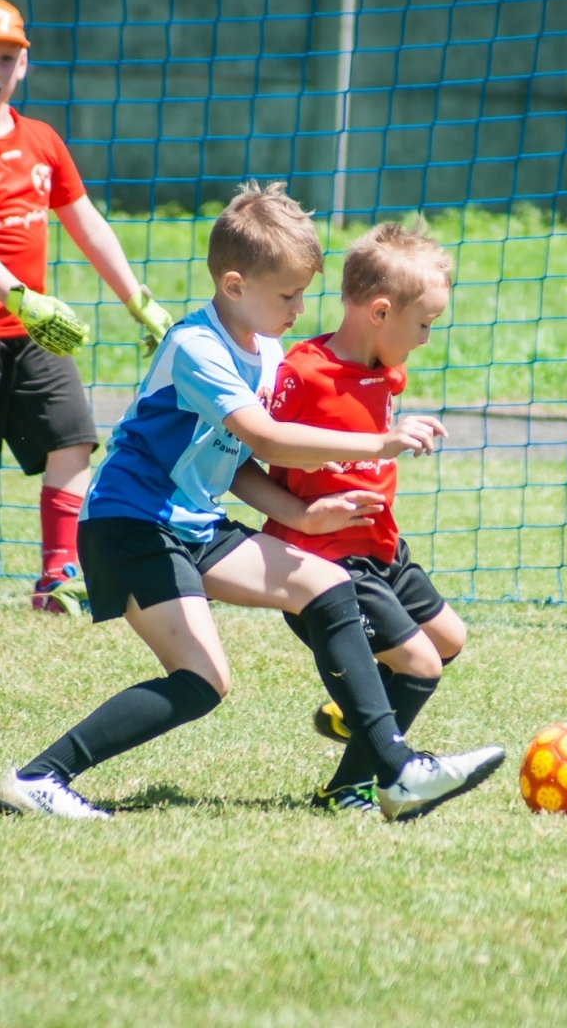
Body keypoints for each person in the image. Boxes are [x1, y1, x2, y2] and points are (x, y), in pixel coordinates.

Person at [0, 182, 505, 823]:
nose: (298, 308)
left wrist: (298, 517)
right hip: (133, 524)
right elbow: (264, 438)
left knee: (325, 584)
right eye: (288, 294)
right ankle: (39, 777)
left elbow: (236, 465)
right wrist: (379, 440)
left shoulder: (264, 352)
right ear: (235, 286)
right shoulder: (197, 347)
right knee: (203, 681)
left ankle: (393, 773)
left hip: (193, 524)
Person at [0, 0, 174, 612]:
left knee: (73, 440)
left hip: (36, 333)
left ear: (24, 65)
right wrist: (23, 300)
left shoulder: (43, 142)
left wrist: (139, 300)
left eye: (6, 57)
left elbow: (87, 225)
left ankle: (56, 579)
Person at [235, 222, 466, 812]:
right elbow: (252, 453)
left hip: (381, 546)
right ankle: (349, 786)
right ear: (381, 312)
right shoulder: (302, 374)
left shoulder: (387, 368)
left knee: (447, 640)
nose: (427, 338)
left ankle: (358, 715)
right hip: (328, 559)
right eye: (424, 324)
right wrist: (309, 509)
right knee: (417, 663)